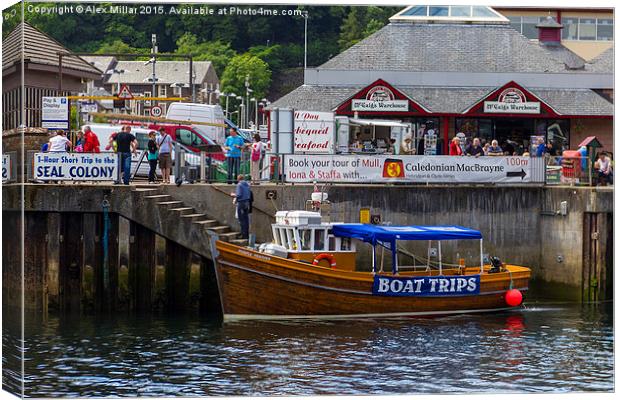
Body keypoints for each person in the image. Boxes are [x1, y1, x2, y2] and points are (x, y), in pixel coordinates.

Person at [230, 174, 252, 239]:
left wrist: (233, 194)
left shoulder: (239, 185)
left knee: (241, 219)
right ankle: (247, 234)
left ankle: (243, 235)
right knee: (246, 219)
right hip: (247, 203)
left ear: (238, 179)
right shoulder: (248, 185)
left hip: (241, 203)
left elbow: (239, 195)